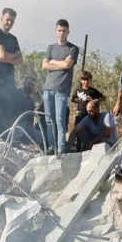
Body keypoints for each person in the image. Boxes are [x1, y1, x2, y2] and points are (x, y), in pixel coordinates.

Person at [39, 19, 79, 155]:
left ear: (68, 32)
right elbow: (44, 65)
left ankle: (61, 148)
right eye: (59, 30)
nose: (61, 33)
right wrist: (60, 64)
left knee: (60, 121)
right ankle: (51, 147)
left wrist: (53, 62)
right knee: (48, 120)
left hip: (61, 90)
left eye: (64, 31)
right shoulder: (51, 48)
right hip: (48, 88)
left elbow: (67, 65)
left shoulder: (73, 49)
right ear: (55, 31)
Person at [0, 8, 23, 128]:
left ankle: (5, 136)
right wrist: (13, 56)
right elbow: (2, 55)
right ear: (1, 19)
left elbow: (20, 60)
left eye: (12, 21)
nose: (9, 23)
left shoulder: (13, 39)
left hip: (9, 82)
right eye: (7, 20)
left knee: (9, 114)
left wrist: (9, 57)